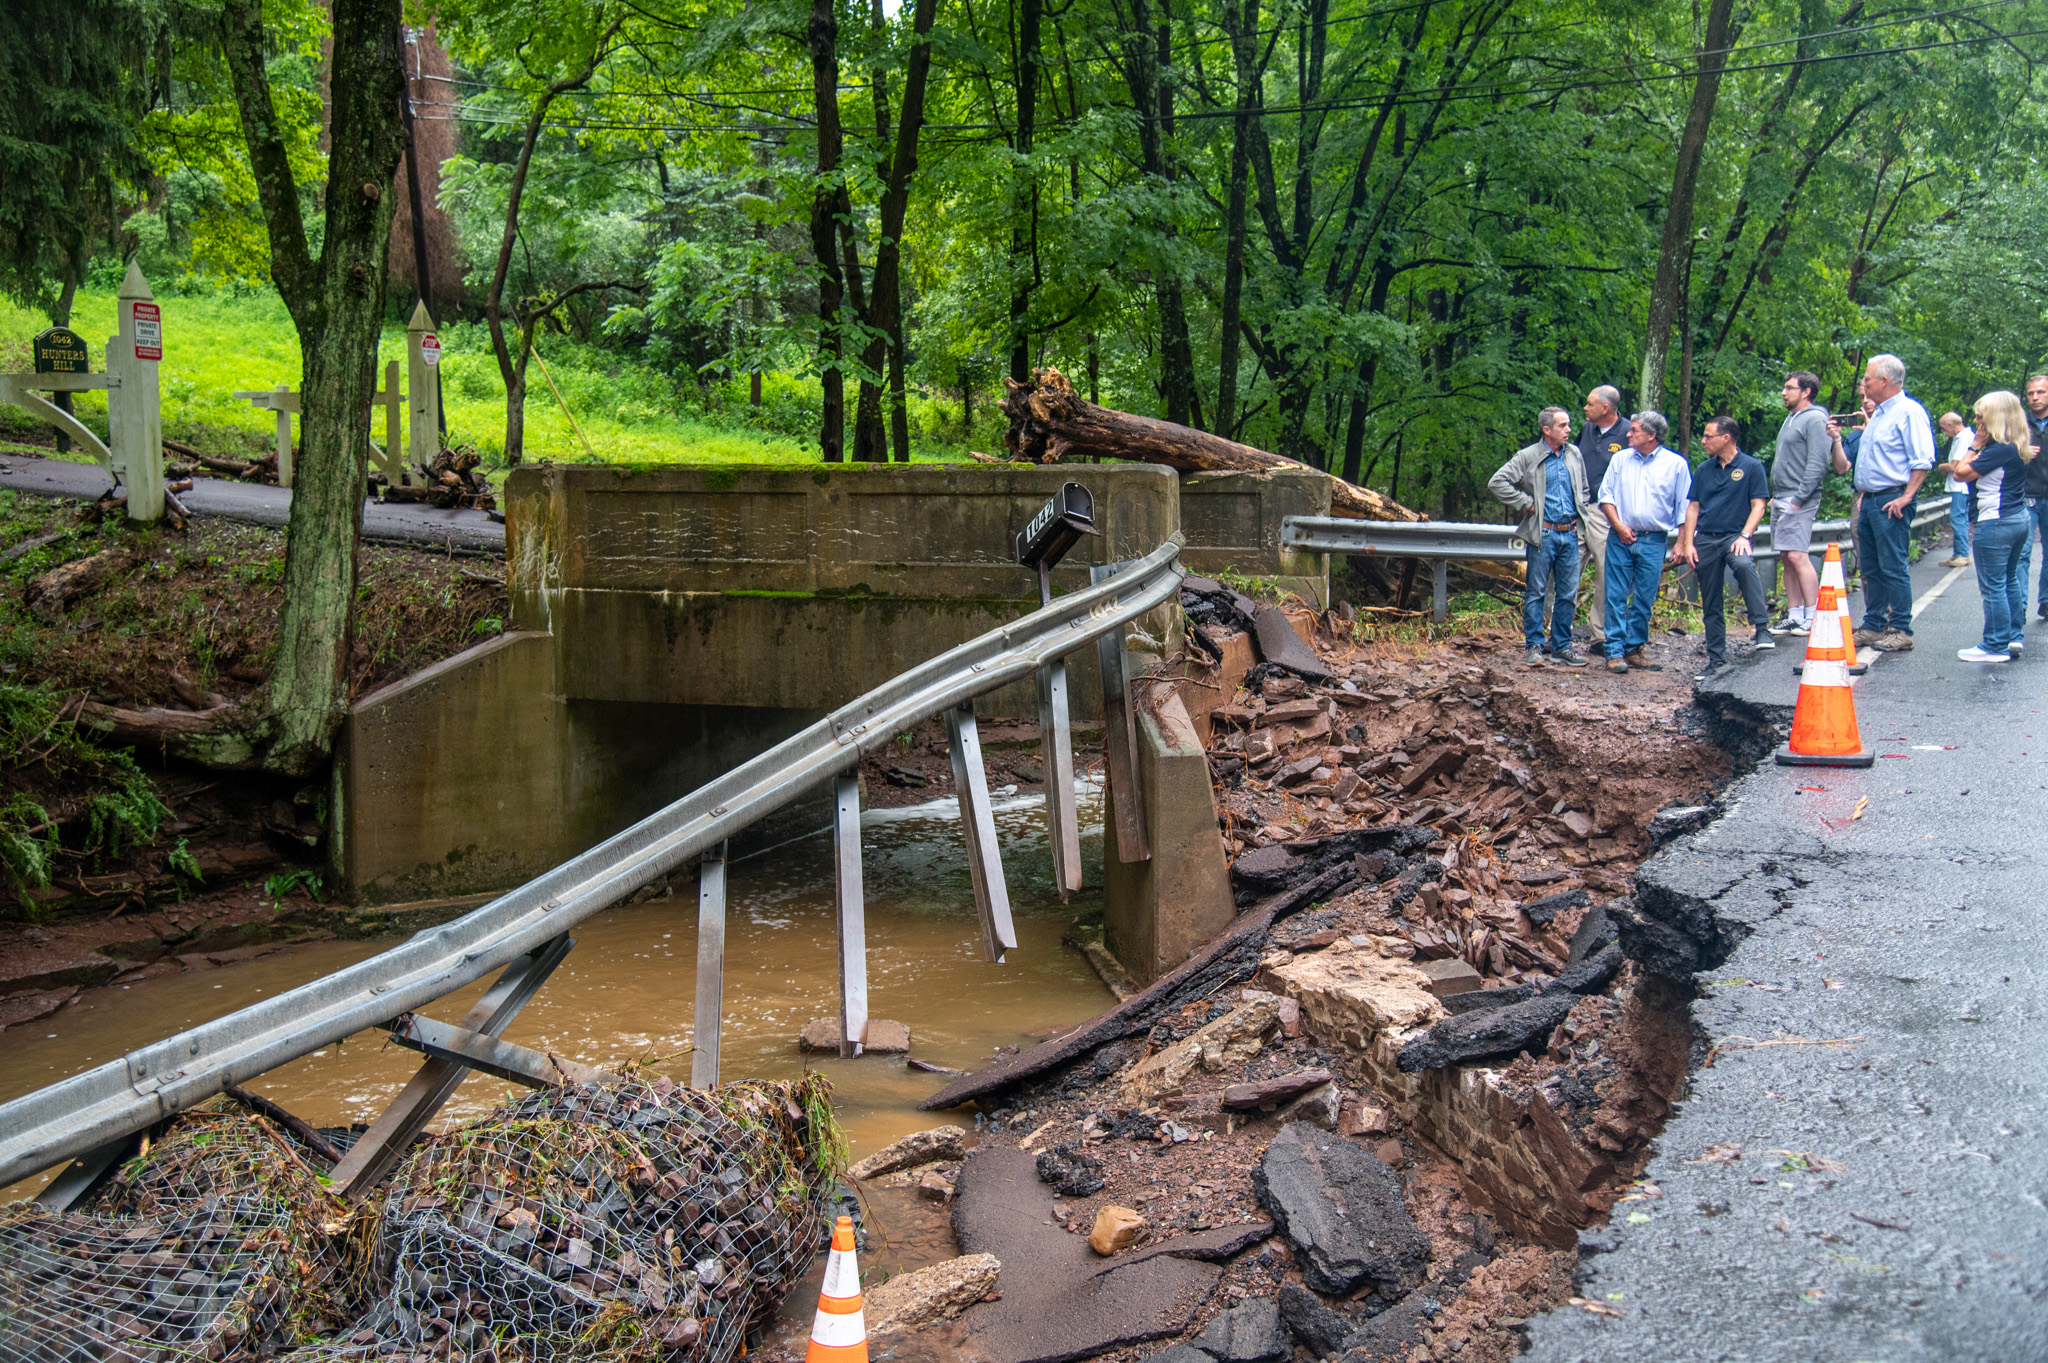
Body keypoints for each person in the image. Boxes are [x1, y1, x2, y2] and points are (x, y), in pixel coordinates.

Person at [1488, 407, 1592, 666]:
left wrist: (1582, 512)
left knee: (1568, 593)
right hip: (1542, 533)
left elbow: (1585, 490)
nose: (1568, 430)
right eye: (1563, 425)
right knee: (1536, 592)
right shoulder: (1528, 456)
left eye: (1568, 425)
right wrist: (1526, 503)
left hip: (1570, 534)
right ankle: (1534, 646)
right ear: (1547, 430)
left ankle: (1562, 647)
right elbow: (1497, 482)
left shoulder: (1574, 454)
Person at [1847, 354, 1935, 651]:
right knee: (1870, 566)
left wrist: (1907, 496)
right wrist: (1863, 495)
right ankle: (1874, 625)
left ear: (1884, 381)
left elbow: (1922, 460)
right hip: (1870, 500)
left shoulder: (1909, 412)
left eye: (1868, 378)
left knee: (1892, 565)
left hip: (1892, 498)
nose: (1864, 383)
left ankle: (1901, 628)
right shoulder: (1880, 414)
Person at [1678, 415, 1774, 677]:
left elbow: (1759, 505)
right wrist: (1688, 543)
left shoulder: (1751, 467)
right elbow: (1693, 508)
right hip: (1706, 538)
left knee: (1743, 564)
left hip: (1734, 535)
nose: (1704, 441)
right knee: (1711, 599)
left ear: (1726, 438)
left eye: (1709, 436)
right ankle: (1716, 660)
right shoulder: (1703, 469)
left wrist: (1745, 535)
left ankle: (1761, 628)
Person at [1596, 410, 1691, 674]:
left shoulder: (1676, 464)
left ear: (1651, 435)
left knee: (1644, 598)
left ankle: (1634, 648)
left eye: (1634, 430)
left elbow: (1685, 507)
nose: (1628, 433)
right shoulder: (1620, 459)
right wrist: (1618, 526)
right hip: (1620, 536)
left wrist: (1683, 542)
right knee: (1614, 594)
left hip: (1654, 539)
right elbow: (1606, 497)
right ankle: (1614, 651)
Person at [1948, 389, 2036, 662]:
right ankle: (2011, 637)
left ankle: (1994, 645)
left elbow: (1960, 473)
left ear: (1994, 419)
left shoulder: (1998, 450)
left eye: (1981, 417)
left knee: (1993, 586)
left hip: (1995, 522)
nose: (1976, 422)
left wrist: (1974, 445)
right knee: (2008, 580)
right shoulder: (2016, 445)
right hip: (2017, 518)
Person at [1767, 371, 1831, 637]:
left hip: (1798, 497)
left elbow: (1818, 463)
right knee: (1785, 555)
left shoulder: (1815, 418)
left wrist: (1798, 499)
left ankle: (1813, 615)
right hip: (1782, 496)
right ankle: (1794, 615)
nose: (1784, 392)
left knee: (1797, 554)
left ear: (1806, 392)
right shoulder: (1791, 418)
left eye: (1789, 388)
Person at [1575, 386, 1629, 640]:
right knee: (1565, 569)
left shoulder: (1629, 433)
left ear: (1605, 408)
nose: (1585, 408)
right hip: (1577, 509)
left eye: (1590, 404)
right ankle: (1557, 633)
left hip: (1607, 511)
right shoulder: (1586, 429)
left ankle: (1602, 636)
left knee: (1606, 575)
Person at [2015, 374, 2048, 619]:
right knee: (2022, 553)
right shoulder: (2018, 424)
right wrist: (2021, 453)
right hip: (2027, 496)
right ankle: (2020, 605)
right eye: (2030, 393)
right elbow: (2001, 456)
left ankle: (2046, 601)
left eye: (2040, 392)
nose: (2035, 397)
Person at [1936, 411, 1975, 568]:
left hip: (1961, 486)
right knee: (1959, 518)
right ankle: (1958, 553)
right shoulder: (1963, 437)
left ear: (1951, 426)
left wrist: (1940, 466)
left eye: (1943, 428)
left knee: (1958, 518)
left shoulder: (1963, 438)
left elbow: (1954, 465)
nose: (1943, 432)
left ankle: (1963, 554)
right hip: (1961, 485)